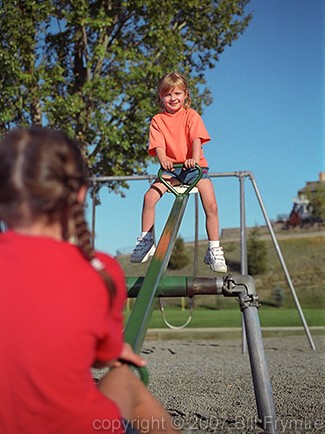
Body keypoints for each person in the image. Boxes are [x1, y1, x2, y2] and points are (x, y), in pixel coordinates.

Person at [0, 126, 180, 434]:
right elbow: (104, 356)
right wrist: (112, 351)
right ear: (81, 192)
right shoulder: (101, 270)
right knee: (124, 381)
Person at [130, 72, 227, 273]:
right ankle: (146, 240)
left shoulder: (191, 115)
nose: (173, 98)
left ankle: (214, 248)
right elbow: (158, 145)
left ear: (185, 95)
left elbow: (196, 140)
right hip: (171, 172)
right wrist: (163, 159)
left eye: (177, 93)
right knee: (149, 198)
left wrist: (193, 158)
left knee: (211, 204)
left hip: (194, 169)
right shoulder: (157, 120)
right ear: (160, 97)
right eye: (167, 95)